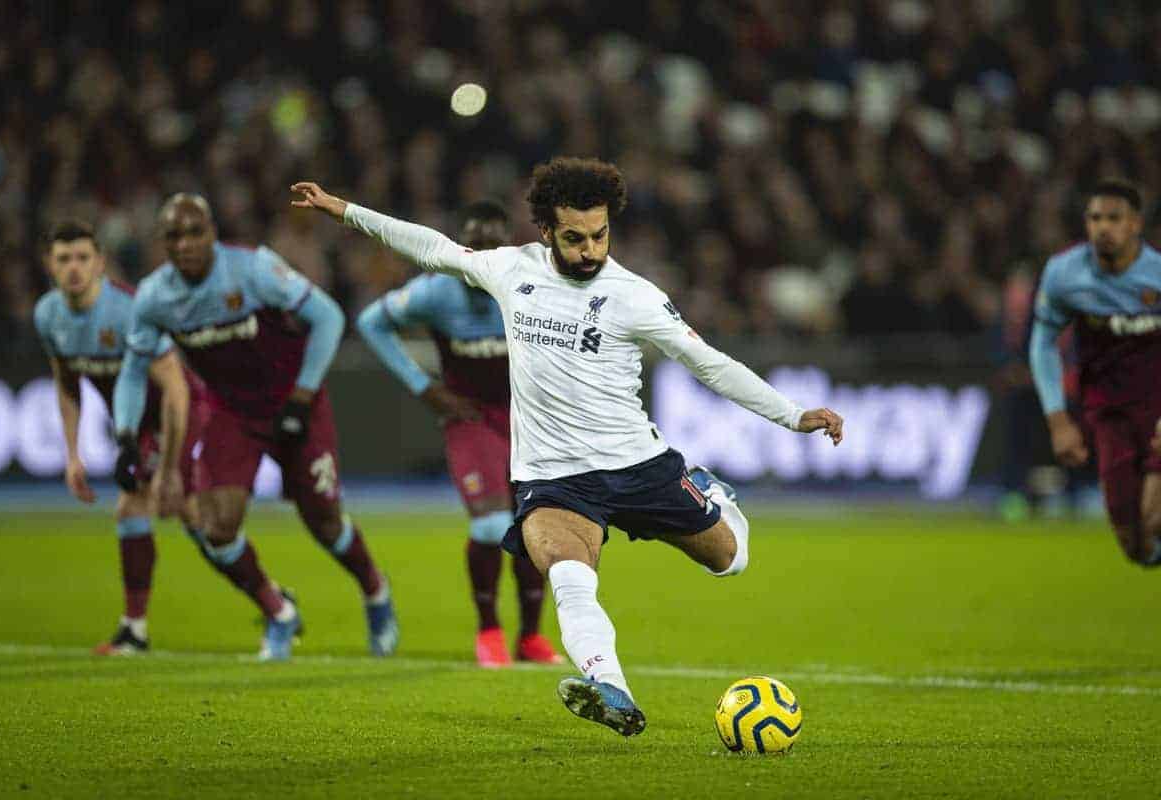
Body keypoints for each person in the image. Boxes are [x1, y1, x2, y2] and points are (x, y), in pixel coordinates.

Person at [290, 157, 843, 736]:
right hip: (554, 479)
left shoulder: (635, 296)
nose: (589, 251)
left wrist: (793, 414)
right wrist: (344, 210)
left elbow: (709, 364)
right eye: (574, 238)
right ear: (546, 231)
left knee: (731, 559)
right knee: (569, 576)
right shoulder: (511, 270)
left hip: (638, 465)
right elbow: (431, 247)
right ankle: (613, 688)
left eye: (599, 236)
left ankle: (705, 488)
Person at [112, 194, 398, 660]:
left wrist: (303, 396)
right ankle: (279, 612)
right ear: (162, 243)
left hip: (294, 403)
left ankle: (375, 590)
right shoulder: (154, 297)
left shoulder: (252, 269)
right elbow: (132, 368)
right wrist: (125, 436)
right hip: (233, 414)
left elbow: (327, 316)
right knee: (215, 526)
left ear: (213, 233)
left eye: (194, 233)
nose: (184, 244)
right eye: (173, 236)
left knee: (324, 522)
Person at [33, 219, 264, 654]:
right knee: (187, 518)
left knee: (157, 508)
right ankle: (270, 605)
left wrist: (169, 468)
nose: (74, 268)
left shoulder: (127, 310)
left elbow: (175, 387)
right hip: (141, 427)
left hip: (183, 412)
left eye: (83, 257)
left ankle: (265, 606)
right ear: (50, 264)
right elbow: (67, 383)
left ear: (100, 262)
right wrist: (72, 455)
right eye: (64, 259)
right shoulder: (48, 316)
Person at [356, 201, 562, 668]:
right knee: (491, 525)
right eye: (474, 245)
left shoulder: (533, 289)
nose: (482, 257)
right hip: (469, 420)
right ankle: (489, 629)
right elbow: (372, 323)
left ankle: (530, 637)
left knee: (536, 527)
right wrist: (423, 387)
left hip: (526, 421)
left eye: (492, 246)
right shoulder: (436, 293)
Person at [1030, 180, 1161, 566]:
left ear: (1135, 224)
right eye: (1095, 218)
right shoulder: (1065, 274)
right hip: (1110, 414)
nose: (1103, 227)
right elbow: (1042, 343)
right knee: (1133, 542)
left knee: (1154, 519)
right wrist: (1058, 422)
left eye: (1114, 218)